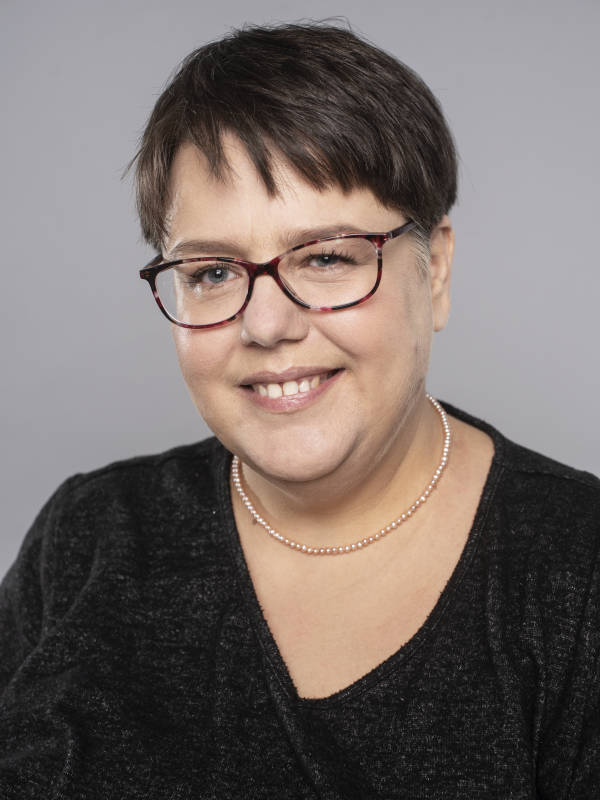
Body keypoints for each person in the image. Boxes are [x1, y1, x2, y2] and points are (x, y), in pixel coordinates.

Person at [0, 21, 598, 799]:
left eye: (325, 257)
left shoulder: (579, 573)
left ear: (437, 267)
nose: (267, 324)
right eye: (213, 271)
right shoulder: (88, 535)